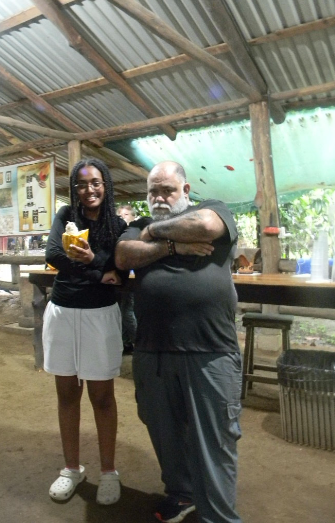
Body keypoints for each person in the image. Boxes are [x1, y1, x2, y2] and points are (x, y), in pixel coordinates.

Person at [115, 161, 242, 523]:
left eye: (166, 190)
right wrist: (173, 247)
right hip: (152, 351)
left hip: (210, 351)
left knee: (214, 444)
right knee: (165, 433)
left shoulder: (211, 209)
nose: (157, 197)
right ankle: (183, 495)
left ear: (186, 191)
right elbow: (124, 256)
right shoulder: (137, 227)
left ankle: (218, 517)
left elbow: (203, 226)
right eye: (152, 190)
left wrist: (155, 235)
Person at [44, 158, 127, 505]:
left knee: (102, 397)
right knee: (67, 394)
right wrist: (98, 270)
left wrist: (92, 262)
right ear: (74, 189)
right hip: (62, 311)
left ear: (105, 184)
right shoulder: (66, 216)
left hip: (99, 316)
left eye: (95, 182)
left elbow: (119, 269)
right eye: (81, 184)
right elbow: (53, 255)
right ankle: (71, 468)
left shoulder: (118, 227)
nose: (88, 189)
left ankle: (109, 471)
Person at [116, 205, 138, 353]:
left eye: (126, 214)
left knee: (127, 313)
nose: (122, 217)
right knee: (121, 312)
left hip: (131, 280)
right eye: (119, 215)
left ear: (133, 217)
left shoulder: (134, 233)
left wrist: (131, 279)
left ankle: (140, 342)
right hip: (119, 280)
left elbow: (134, 263)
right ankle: (126, 344)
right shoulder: (119, 233)